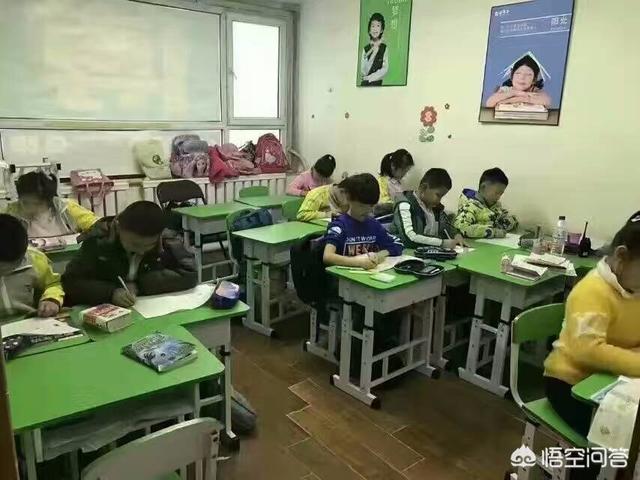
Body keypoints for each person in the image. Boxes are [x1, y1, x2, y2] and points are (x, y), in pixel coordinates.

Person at [543, 213, 640, 480]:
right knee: (614, 437)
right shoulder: (592, 291)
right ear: (621, 257)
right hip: (569, 383)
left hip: (612, 379)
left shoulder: (634, 289)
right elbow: (589, 351)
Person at [62, 201, 197, 308]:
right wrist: (110, 293)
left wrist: (140, 285)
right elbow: (70, 282)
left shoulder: (168, 240)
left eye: (149, 245)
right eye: (134, 245)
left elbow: (190, 274)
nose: (141, 251)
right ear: (118, 227)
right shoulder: (98, 241)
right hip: (106, 310)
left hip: (148, 308)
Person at [323, 173, 403, 269]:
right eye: (361, 206)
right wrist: (358, 262)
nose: (367, 211)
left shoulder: (374, 225)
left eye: (371, 206)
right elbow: (328, 256)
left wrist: (379, 255)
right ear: (348, 198)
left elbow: (397, 244)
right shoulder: (339, 226)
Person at [0, 214, 64, 319]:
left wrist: (51, 299)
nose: (5, 271)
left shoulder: (34, 259)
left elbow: (53, 284)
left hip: (28, 320)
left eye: (13, 266)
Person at [3, 171, 98, 238]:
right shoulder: (10, 213)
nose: (29, 207)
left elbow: (97, 225)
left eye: (37, 204)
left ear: (49, 201)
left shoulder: (66, 207)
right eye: (25, 202)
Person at [392, 168, 465, 249]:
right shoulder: (405, 204)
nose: (439, 200)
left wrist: (456, 235)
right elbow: (410, 238)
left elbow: (446, 226)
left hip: (428, 252)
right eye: (438, 195)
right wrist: (441, 243)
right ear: (423, 188)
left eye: (442, 196)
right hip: (404, 253)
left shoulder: (435, 207)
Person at [454, 167, 518, 238]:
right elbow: (460, 227)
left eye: (501, 194)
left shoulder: (495, 205)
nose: (498, 197)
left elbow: (507, 219)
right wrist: (492, 232)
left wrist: (508, 222)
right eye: (496, 193)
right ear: (483, 187)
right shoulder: (469, 206)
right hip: (474, 243)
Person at [485, 54, 552, 109]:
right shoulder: (505, 90)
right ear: (512, 76)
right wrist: (515, 93)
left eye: (528, 75)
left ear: (534, 80)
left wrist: (517, 99)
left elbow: (547, 101)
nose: (522, 78)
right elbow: (489, 103)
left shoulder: (535, 91)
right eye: (518, 73)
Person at [360, 12, 389, 87]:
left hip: (378, 85)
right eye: (373, 26)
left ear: (381, 30)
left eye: (378, 26)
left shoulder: (384, 48)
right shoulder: (365, 49)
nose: (375, 29)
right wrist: (373, 54)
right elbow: (364, 72)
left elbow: (384, 69)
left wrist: (369, 78)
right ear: (369, 30)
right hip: (365, 86)